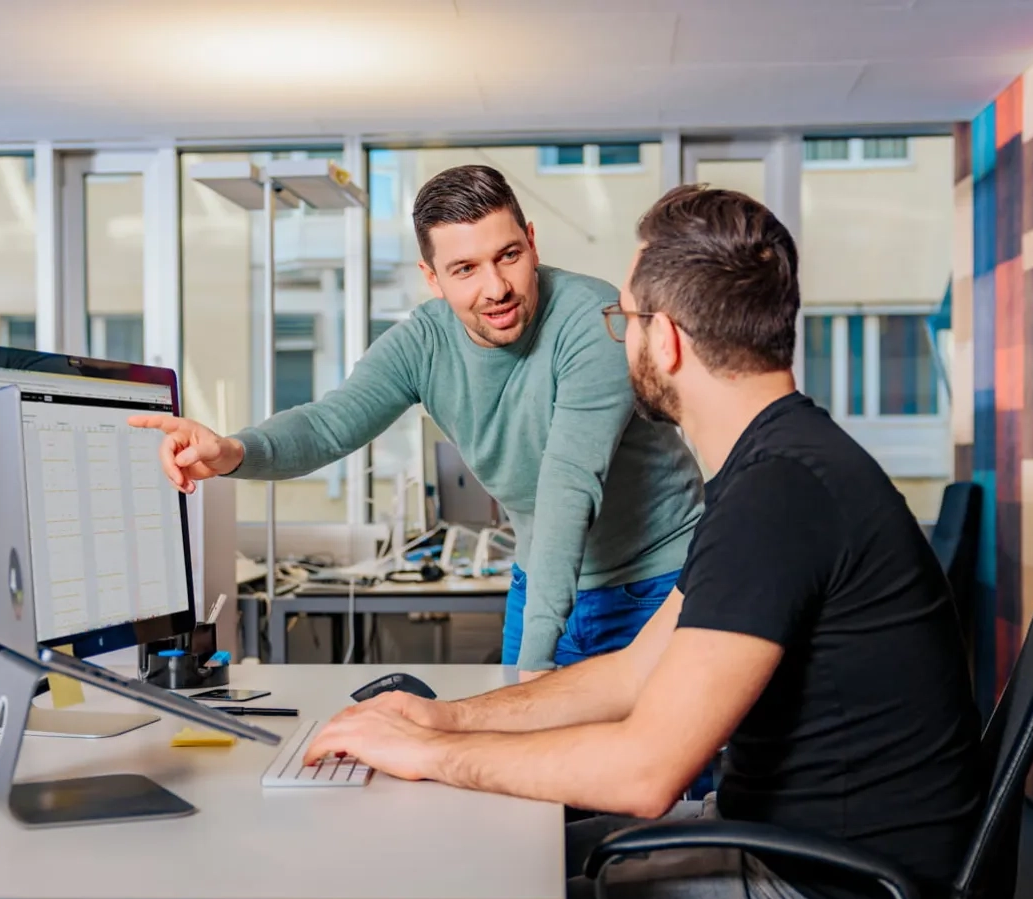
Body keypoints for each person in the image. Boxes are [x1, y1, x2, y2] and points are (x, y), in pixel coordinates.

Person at [304, 185, 983, 899]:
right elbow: (632, 672)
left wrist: (426, 756)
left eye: (622, 320)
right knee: (496, 859)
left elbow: (645, 773)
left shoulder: (781, 495)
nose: (617, 337)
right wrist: (444, 718)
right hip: (801, 862)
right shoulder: (773, 470)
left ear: (664, 340)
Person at [132, 165, 703, 673]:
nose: (496, 288)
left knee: (660, 785)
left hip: (656, 580)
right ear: (432, 278)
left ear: (531, 243)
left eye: (508, 256)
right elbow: (330, 424)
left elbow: (567, 490)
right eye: (464, 269)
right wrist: (232, 451)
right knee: (525, 781)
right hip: (545, 578)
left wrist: (533, 670)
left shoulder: (593, 320)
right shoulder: (424, 341)